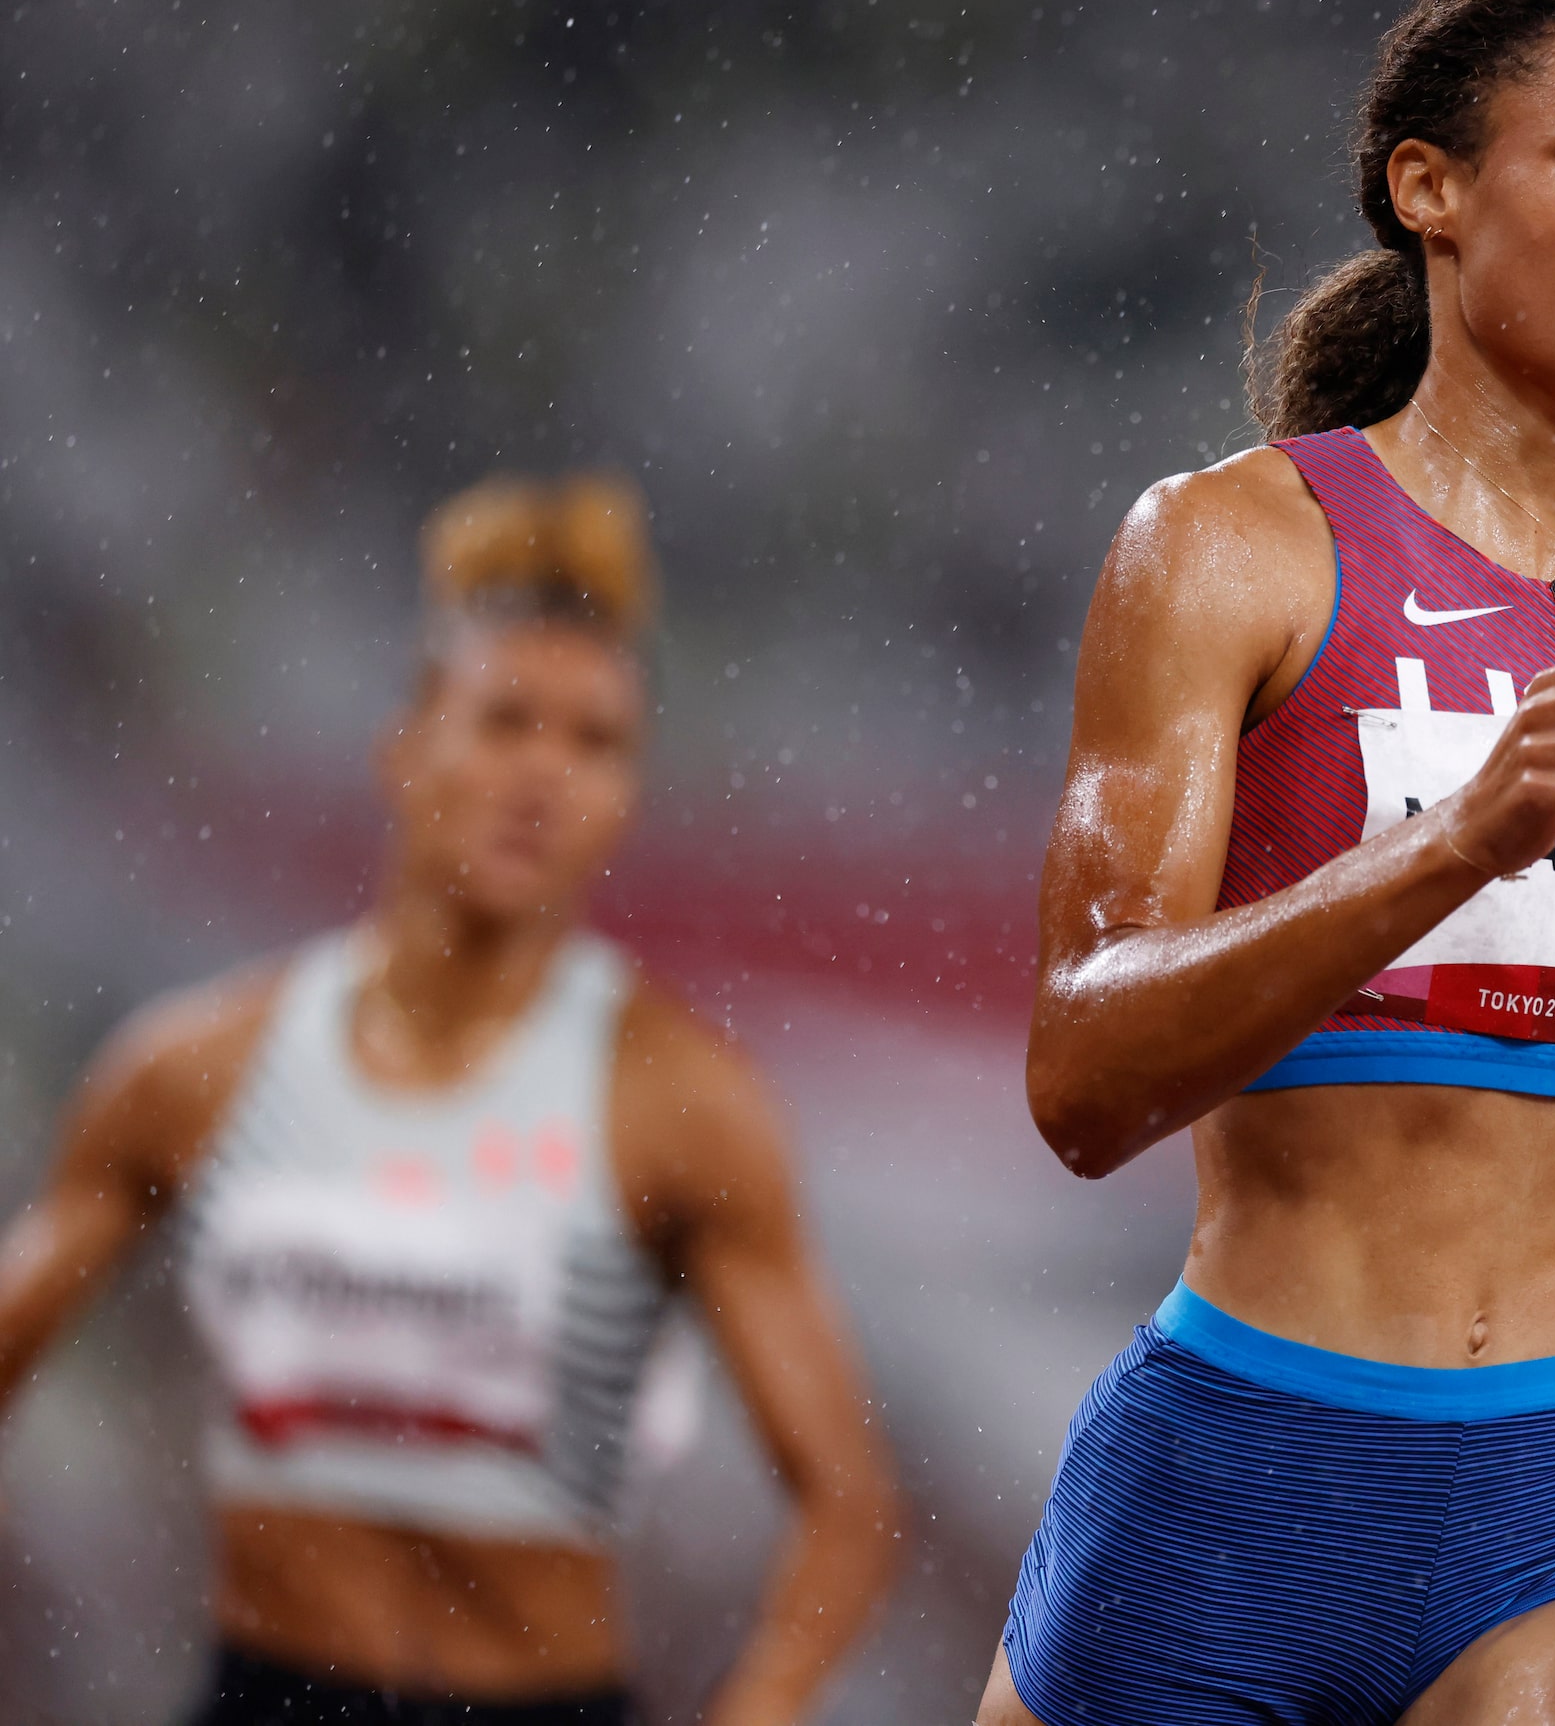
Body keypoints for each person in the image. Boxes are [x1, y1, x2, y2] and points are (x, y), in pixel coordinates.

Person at [978, 0, 1555, 1726]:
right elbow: (1083, 1074)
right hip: (1233, 1484)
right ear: (1428, 188)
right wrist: (1449, 841)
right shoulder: (1233, 554)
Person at [0, 474, 903, 1725]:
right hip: (267, 1696)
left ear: (628, 795)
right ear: (405, 745)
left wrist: (763, 1702)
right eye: (506, 721)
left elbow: (845, 1501)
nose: (544, 776)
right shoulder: (192, 1072)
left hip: (543, 1703)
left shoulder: (679, 1102)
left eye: (595, 744)